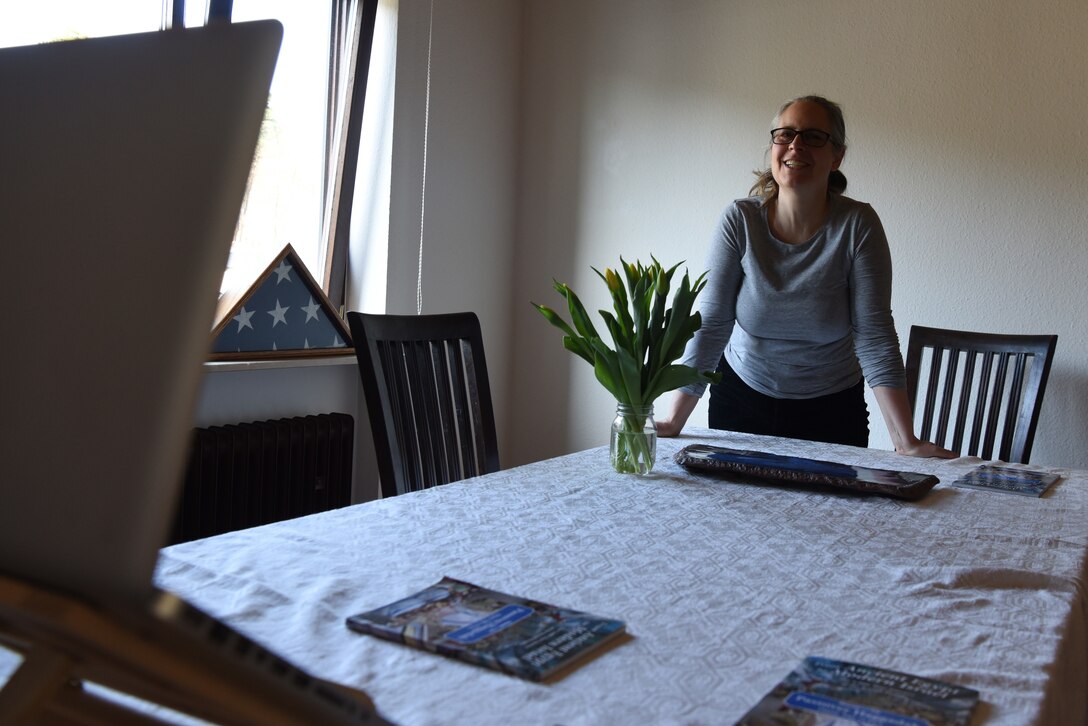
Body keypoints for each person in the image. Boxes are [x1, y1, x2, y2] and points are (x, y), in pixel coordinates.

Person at [656, 95, 953, 458]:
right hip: (741, 399)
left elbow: (874, 335)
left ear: (837, 156)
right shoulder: (740, 220)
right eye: (785, 135)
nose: (796, 145)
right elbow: (713, 323)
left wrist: (906, 441)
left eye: (813, 136)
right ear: (773, 148)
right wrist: (673, 420)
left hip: (831, 410)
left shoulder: (858, 225)